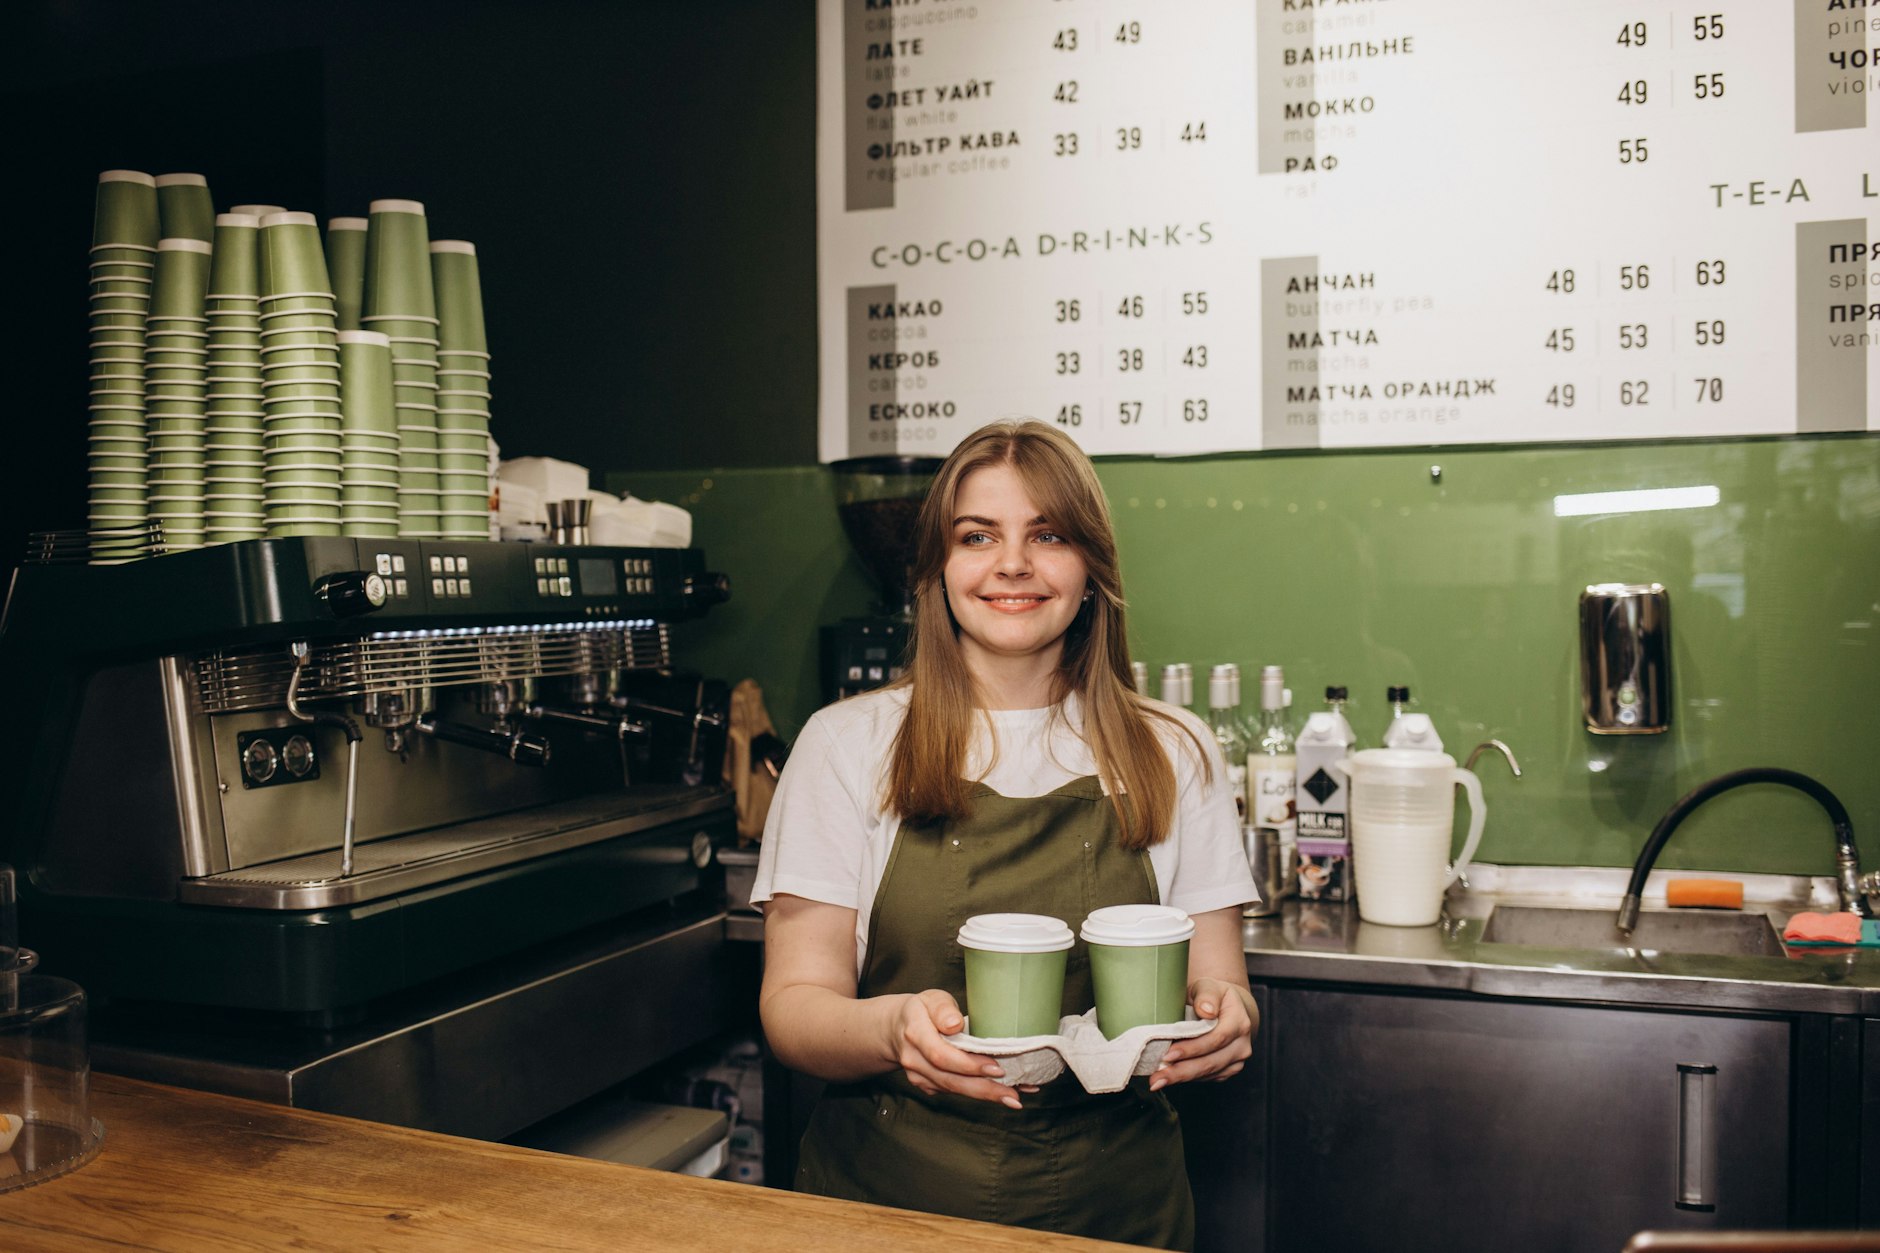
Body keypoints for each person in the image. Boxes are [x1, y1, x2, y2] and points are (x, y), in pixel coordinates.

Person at [751, 420, 1258, 1250]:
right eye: (977, 535)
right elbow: (794, 1007)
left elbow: (1220, 982)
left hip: (1119, 1208)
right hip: (889, 1206)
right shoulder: (847, 745)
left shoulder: (1175, 748)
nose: (1012, 564)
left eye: (1048, 534)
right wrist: (894, 1031)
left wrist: (1230, 1020)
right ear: (938, 570)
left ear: (1091, 566)